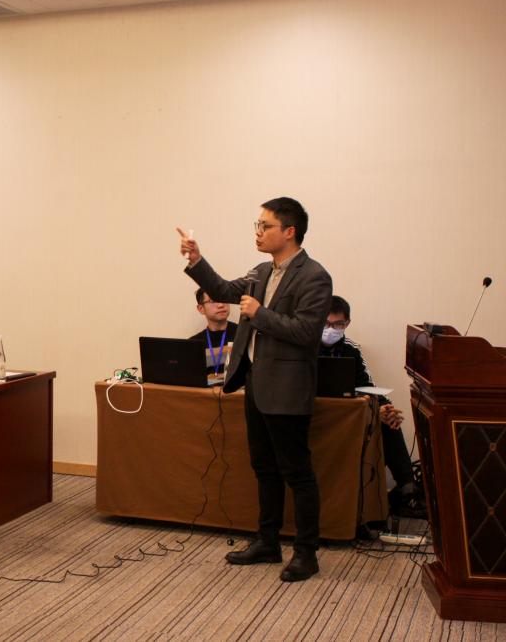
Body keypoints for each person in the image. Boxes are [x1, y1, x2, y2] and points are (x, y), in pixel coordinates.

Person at [179, 197, 332, 583]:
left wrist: (259, 314)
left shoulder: (314, 276)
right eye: (257, 225)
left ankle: (306, 552)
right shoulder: (261, 271)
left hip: (288, 389)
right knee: (264, 467)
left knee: (297, 472)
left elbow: (306, 332)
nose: (258, 232)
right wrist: (197, 260)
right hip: (256, 385)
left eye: (266, 226)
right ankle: (267, 541)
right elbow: (221, 288)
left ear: (289, 231)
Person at [320, 295, 425, 518]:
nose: (331, 330)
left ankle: (407, 490)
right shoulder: (302, 347)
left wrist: (384, 408)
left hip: (348, 417)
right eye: (326, 323)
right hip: (316, 414)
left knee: (389, 420)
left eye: (338, 324)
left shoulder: (352, 350)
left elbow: (367, 386)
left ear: (347, 323)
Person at [187, 288, 238, 385]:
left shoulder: (244, 336)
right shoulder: (193, 344)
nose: (221, 305)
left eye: (224, 299)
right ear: (201, 309)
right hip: (203, 394)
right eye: (213, 301)